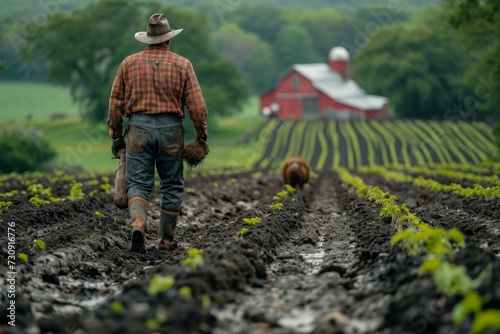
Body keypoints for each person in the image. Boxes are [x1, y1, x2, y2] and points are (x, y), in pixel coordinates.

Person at [108, 13, 208, 253]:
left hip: (138, 130)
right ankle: (164, 242)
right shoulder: (183, 65)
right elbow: (197, 106)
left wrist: (117, 135)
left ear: (147, 40)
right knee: (171, 185)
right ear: (168, 40)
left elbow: (115, 105)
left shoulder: (128, 63)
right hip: (171, 131)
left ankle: (138, 225)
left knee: (138, 184)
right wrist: (201, 137)